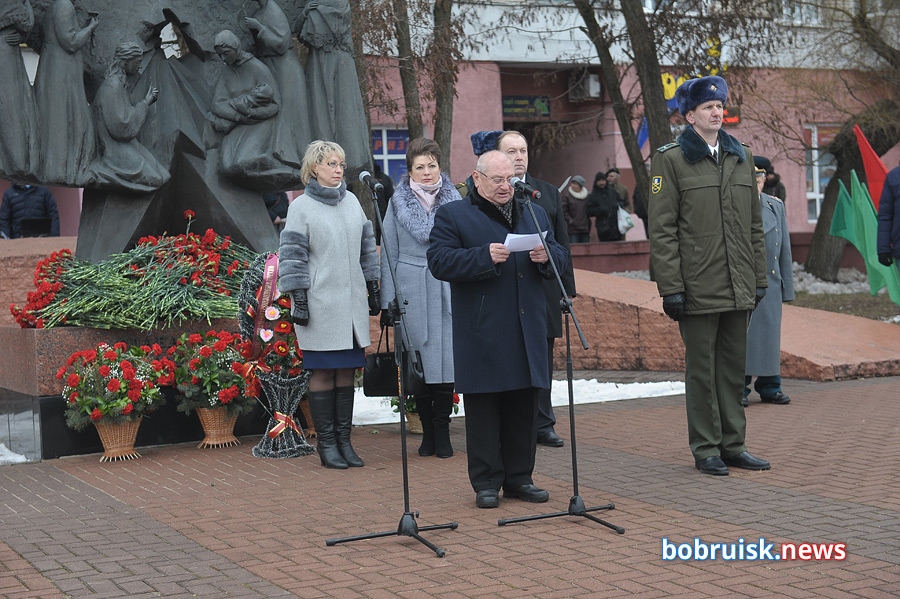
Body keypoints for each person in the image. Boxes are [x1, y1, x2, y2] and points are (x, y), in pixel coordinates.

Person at [427, 150, 568, 508]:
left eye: (510, 180)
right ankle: (486, 482)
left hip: (526, 327)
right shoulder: (454, 214)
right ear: (477, 178)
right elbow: (439, 261)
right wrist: (482, 257)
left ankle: (520, 479)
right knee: (485, 410)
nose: (506, 187)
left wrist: (547, 257)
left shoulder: (533, 212)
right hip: (483, 329)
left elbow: (561, 254)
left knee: (523, 406)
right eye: (498, 180)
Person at [648, 75, 771, 476]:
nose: (716, 112)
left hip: (738, 284)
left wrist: (759, 278)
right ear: (689, 115)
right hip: (697, 285)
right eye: (707, 107)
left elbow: (753, 225)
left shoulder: (741, 155)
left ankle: (734, 445)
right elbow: (662, 230)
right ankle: (706, 449)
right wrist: (671, 287)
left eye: (719, 106)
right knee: (702, 372)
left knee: (734, 370)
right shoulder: (671, 160)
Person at [278, 140, 381, 469]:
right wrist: (299, 298)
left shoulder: (352, 201)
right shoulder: (301, 207)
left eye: (341, 164)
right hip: (319, 303)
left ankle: (344, 442)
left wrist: (373, 286)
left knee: (346, 372)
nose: (339, 170)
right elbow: (292, 256)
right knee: (323, 370)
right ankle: (326, 444)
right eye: (332, 164)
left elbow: (367, 246)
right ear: (314, 168)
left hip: (351, 305)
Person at [379, 138, 461, 458]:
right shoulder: (396, 202)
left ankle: (443, 432)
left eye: (432, 165)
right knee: (419, 366)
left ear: (440, 167)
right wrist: (388, 302)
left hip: (446, 286)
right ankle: (427, 433)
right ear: (410, 171)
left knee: (446, 366)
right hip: (410, 287)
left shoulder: (455, 200)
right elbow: (389, 252)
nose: (427, 172)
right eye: (420, 167)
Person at [496, 130, 576, 449]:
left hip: (542, 290)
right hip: (505, 292)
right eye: (511, 151)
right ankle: (513, 425)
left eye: (523, 150)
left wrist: (566, 290)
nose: (519, 157)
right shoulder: (489, 193)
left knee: (542, 360)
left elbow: (561, 244)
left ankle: (543, 423)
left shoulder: (546, 192)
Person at [87, 42, 169, 193]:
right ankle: (100, 172)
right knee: (155, 179)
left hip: (125, 144)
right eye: (137, 62)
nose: (139, 66)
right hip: (113, 148)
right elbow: (121, 126)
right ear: (125, 62)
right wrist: (145, 103)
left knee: (163, 175)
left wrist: (145, 101)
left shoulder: (120, 82)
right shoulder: (113, 86)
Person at [744, 160, 794, 407]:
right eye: (752, 179)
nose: (757, 183)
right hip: (743, 283)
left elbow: (784, 249)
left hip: (770, 284)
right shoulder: (733, 206)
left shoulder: (775, 206)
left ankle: (770, 386)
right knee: (742, 338)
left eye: (760, 179)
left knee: (770, 338)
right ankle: (739, 387)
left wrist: (787, 288)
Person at [33, 0, 98, 185]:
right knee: (61, 119)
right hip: (61, 71)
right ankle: (59, 170)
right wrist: (90, 27)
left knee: (57, 118)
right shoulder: (64, 6)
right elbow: (71, 42)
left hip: (56, 67)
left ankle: (57, 168)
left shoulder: (53, 7)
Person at [0, 0, 39, 180]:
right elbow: (25, 20)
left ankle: (18, 162)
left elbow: (26, 21)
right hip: (4, 53)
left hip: (8, 51)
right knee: (10, 106)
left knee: (15, 106)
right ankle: (17, 162)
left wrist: (22, 36)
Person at [586, 171, 621, 241]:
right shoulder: (593, 195)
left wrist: (617, 207)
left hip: (616, 226)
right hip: (603, 227)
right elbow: (589, 211)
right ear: (596, 182)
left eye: (603, 180)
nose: (601, 183)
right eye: (599, 181)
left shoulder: (612, 192)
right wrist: (600, 210)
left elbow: (621, 201)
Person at [561, 175, 591, 243]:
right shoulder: (567, 196)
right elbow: (564, 210)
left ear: (580, 185)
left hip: (585, 228)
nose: (573, 185)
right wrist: (570, 221)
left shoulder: (587, 196)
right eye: (572, 183)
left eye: (576, 184)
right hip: (573, 229)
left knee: (586, 247)